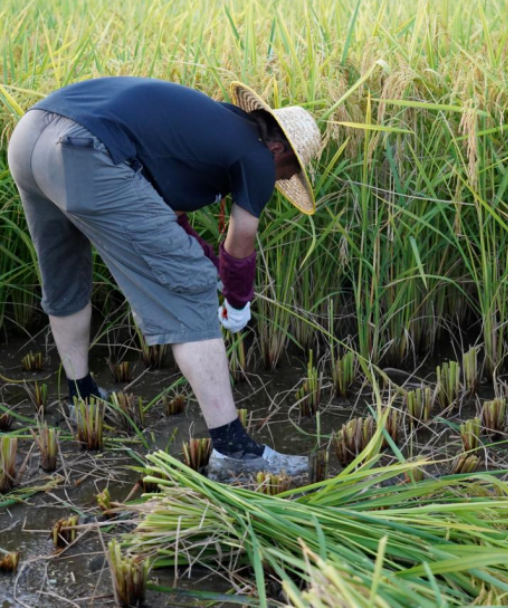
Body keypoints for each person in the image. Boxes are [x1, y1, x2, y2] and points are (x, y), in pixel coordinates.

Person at [7, 77, 321, 480]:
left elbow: (165, 218)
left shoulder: (213, 129)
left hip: (31, 137)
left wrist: (213, 266)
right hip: (84, 152)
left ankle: (81, 398)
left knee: (65, 272)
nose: (278, 182)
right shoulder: (259, 156)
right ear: (279, 150)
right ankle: (235, 451)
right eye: (287, 174)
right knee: (191, 287)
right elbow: (241, 240)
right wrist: (237, 300)